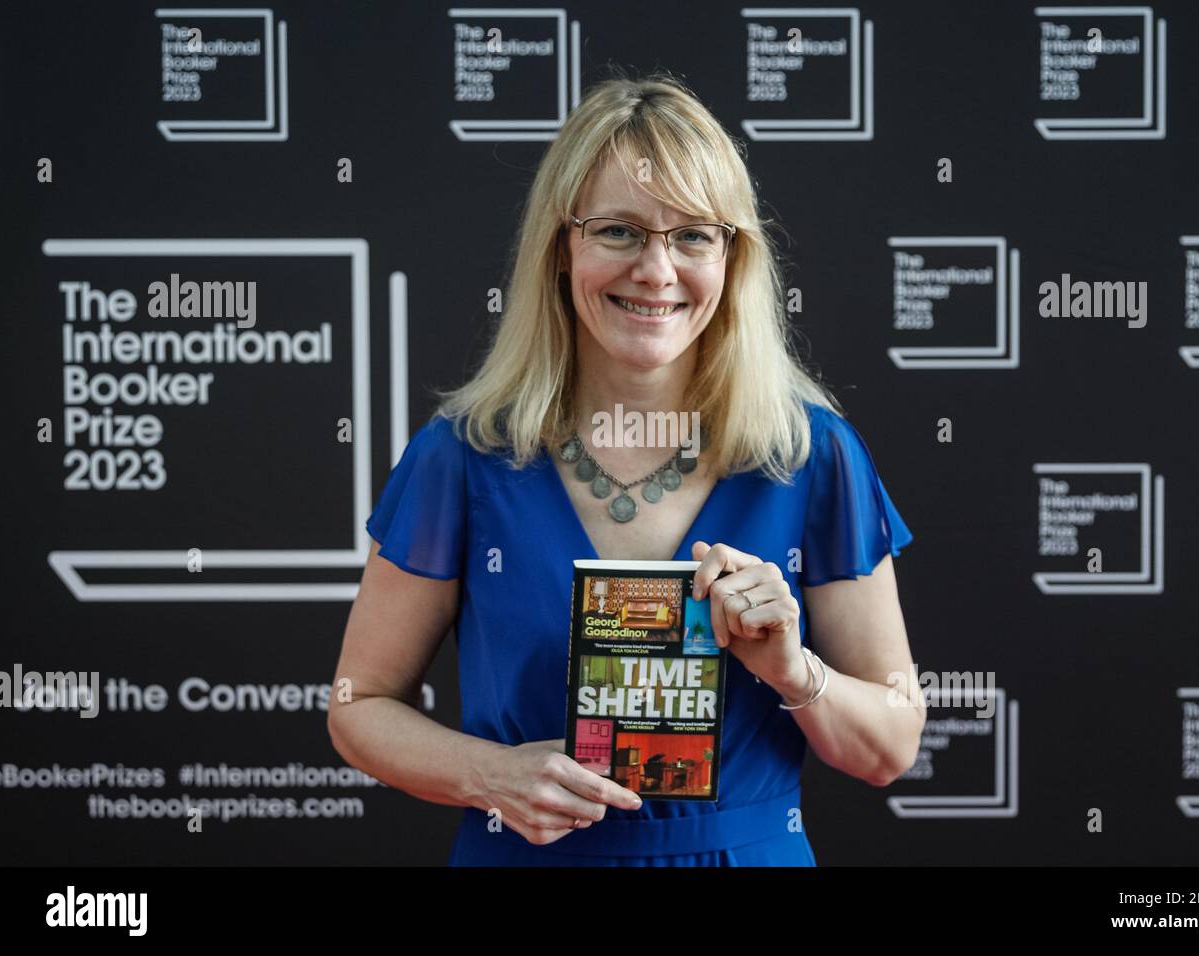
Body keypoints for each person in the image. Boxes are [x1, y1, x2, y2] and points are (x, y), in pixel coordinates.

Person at [327, 70, 925, 866]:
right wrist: (490, 775)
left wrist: (792, 668)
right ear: (560, 244)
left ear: (733, 257)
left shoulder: (809, 455)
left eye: (693, 235)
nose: (656, 269)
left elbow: (888, 747)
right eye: (619, 231)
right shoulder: (463, 456)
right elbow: (356, 706)